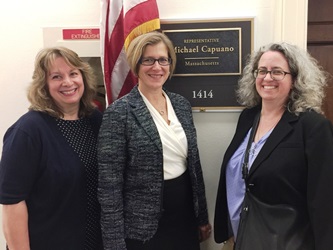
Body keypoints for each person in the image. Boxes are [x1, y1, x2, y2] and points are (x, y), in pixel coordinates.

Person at [98, 31, 211, 250]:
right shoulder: (119, 113)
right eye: (148, 60)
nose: (156, 67)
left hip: (185, 217)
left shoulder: (181, 105)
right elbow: (109, 186)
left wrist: (202, 217)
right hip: (143, 229)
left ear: (170, 63)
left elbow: (194, 167)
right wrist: (113, 243)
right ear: (136, 65)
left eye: (162, 60)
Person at [214, 42, 333, 250]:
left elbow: (324, 200)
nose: (267, 78)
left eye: (277, 72)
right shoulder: (247, 118)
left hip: (286, 242)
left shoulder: (313, 126)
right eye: (262, 71)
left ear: (295, 79)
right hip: (240, 238)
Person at [0, 47, 103, 249]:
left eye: (73, 73)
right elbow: (12, 203)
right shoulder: (28, 131)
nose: (68, 82)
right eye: (56, 76)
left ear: (83, 77)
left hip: (94, 242)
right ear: (44, 85)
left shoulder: (95, 120)